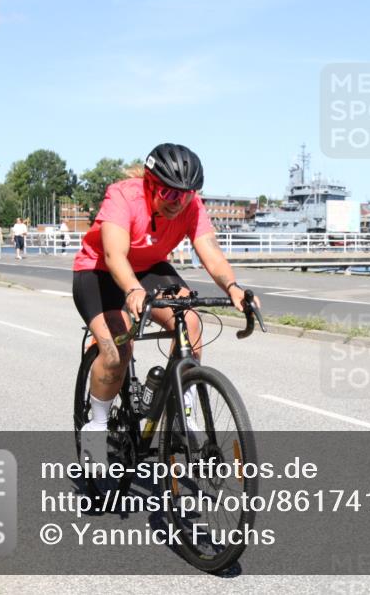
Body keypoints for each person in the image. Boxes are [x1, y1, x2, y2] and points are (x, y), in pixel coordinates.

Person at [72, 143, 259, 463]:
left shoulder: (191, 205)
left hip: (150, 269)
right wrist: (131, 290)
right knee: (116, 350)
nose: (178, 202)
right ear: (149, 183)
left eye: (185, 195)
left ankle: (183, 410)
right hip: (100, 271)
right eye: (170, 194)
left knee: (191, 321)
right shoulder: (123, 196)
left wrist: (232, 286)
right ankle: (98, 424)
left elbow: (210, 252)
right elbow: (115, 254)